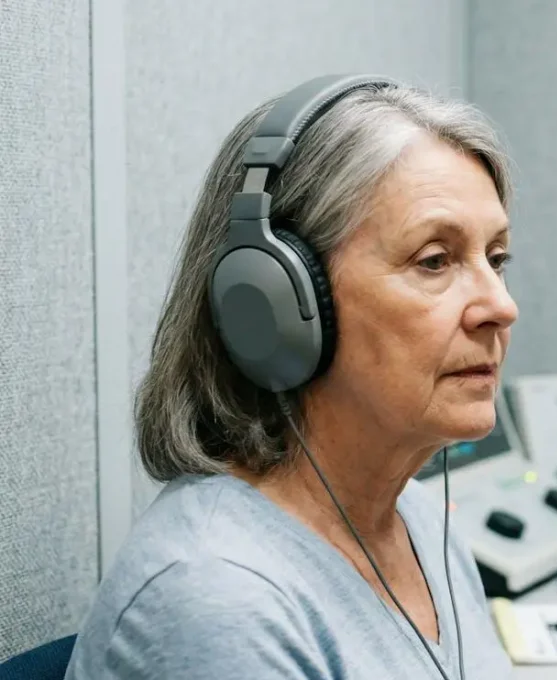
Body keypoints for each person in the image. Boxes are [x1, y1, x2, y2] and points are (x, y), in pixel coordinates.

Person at [66, 76, 518, 679]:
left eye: (496, 259)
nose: (500, 306)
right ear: (277, 300)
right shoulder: (218, 597)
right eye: (434, 260)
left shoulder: (421, 523)